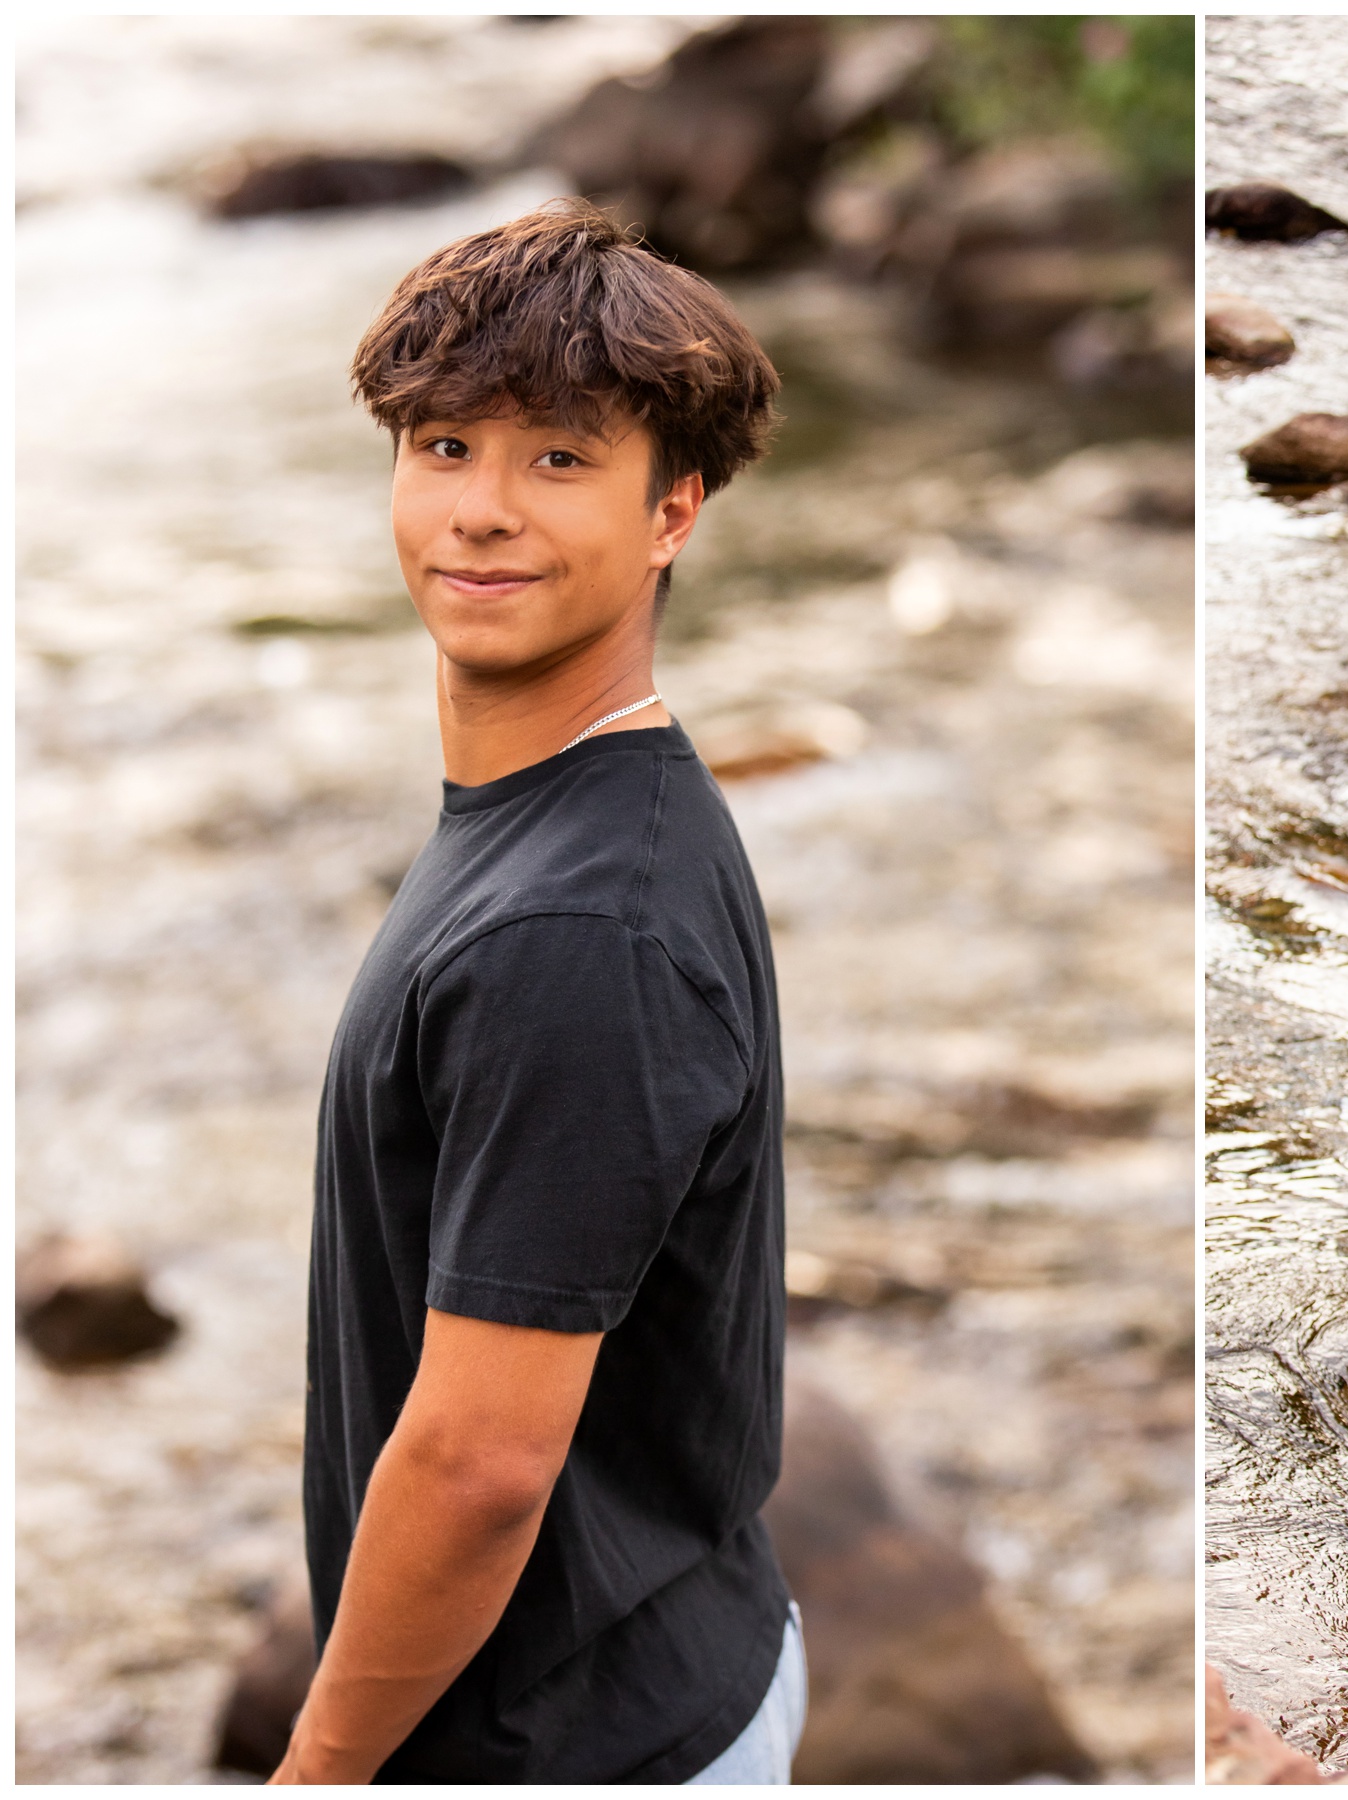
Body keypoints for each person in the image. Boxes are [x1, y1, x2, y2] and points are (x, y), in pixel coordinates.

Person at [276, 200, 803, 1782]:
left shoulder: (573, 934)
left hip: (577, 1745)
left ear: (673, 512)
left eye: (560, 459)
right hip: (670, 1654)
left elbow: (483, 1462)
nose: (482, 511)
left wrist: (313, 1769)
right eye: (444, 448)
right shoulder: (597, 808)